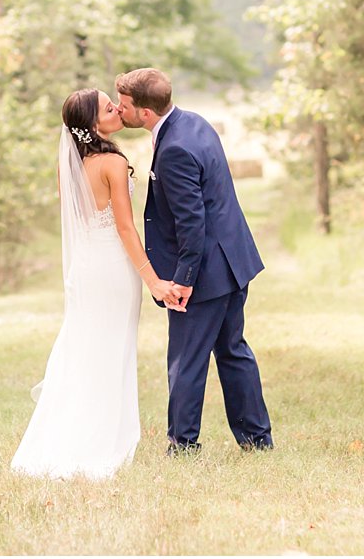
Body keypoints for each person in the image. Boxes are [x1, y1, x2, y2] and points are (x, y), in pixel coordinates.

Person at [10, 88, 181, 480]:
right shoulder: (112, 163)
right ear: (92, 125)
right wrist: (153, 280)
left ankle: (70, 434)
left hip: (85, 270)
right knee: (112, 350)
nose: (117, 109)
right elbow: (125, 227)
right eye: (109, 108)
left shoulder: (70, 166)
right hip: (113, 270)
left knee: (86, 348)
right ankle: (102, 438)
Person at [114, 67, 273, 454]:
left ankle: (182, 445)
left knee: (186, 359)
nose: (119, 111)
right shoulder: (194, 123)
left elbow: (192, 221)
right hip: (234, 261)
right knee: (233, 351)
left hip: (206, 271)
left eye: (124, 106)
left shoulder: (174, 150)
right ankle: (257, 439)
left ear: (146, 114)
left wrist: (183, 279)